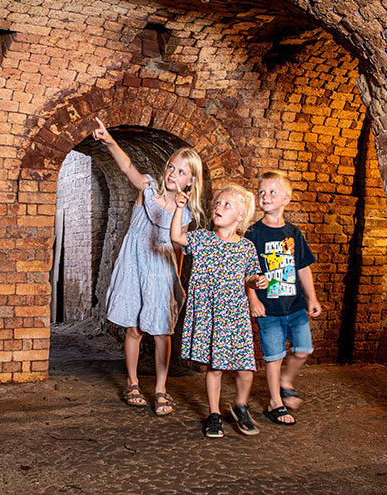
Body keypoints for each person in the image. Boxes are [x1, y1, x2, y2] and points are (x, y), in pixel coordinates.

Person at [94, 117, 204, 416]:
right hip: (135, 263)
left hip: (161, 272)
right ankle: (131, 382)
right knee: (134, 328)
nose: (173, 173)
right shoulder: (149, 188)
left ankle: (160, 388)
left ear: (190, 181)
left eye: (181, 172)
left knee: (161, 333)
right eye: (171, 167)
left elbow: (179, 248)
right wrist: (108, 141)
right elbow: (128, 166)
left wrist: (178, 279)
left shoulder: (187, 213)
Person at [171, 183, 266, 438]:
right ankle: (214, 414)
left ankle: (240, 406)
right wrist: (179, 208)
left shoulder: (246, 247)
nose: (218, 207)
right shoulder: (202, 239)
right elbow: (177, 238)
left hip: (235, 314)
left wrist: (256, 282)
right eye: (217, 203)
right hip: (210, 312)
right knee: (215, 367)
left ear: (240, 216)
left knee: (246, 368)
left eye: (227, 205)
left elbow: (249, 276)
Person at [244, 171, 321, 426]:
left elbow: (303, 268)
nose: (265, 196)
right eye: (262, 192)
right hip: (269, 309)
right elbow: (247, 271)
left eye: (272, 192)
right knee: (273, 356)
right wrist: (253, 299)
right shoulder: (253, 233)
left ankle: (286, 381)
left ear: (287, 199)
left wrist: (312, 298)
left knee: (303, 349)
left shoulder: (293, 233)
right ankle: (275, 402)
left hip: (296, 307)